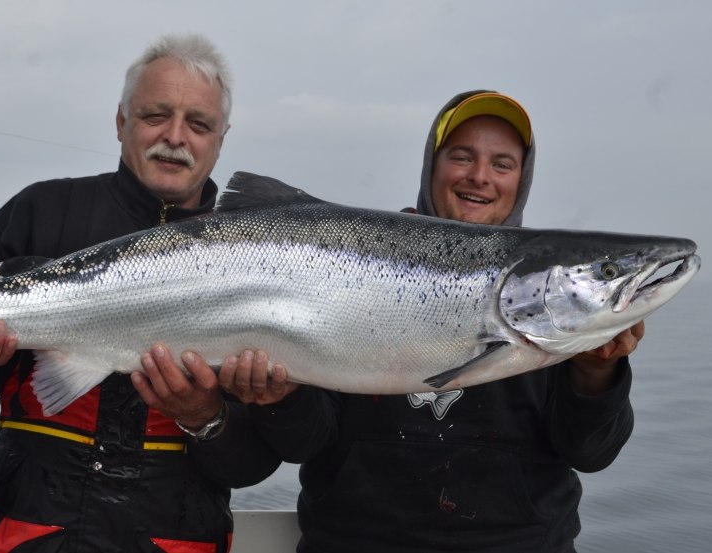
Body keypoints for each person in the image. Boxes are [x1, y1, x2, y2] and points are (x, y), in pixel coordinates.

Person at [228, 90, 642, 552]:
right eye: (462, 157)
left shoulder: (552, 293)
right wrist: (280, 399)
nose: (480, 177)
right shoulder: (355, 268)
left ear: (521, 179)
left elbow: (591, 452)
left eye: (502, 164)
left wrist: (596, 374)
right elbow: (306, 443)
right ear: (432, 165)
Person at [0, 34, 280, 553]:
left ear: (220, 139)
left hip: (176, 538)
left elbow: (253, 465)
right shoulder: (39, 212)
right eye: (157, 115)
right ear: (121, 122)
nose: (176, 137)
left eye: (198, 124)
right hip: (28, 534)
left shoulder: (268, 257)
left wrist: (206, 415)